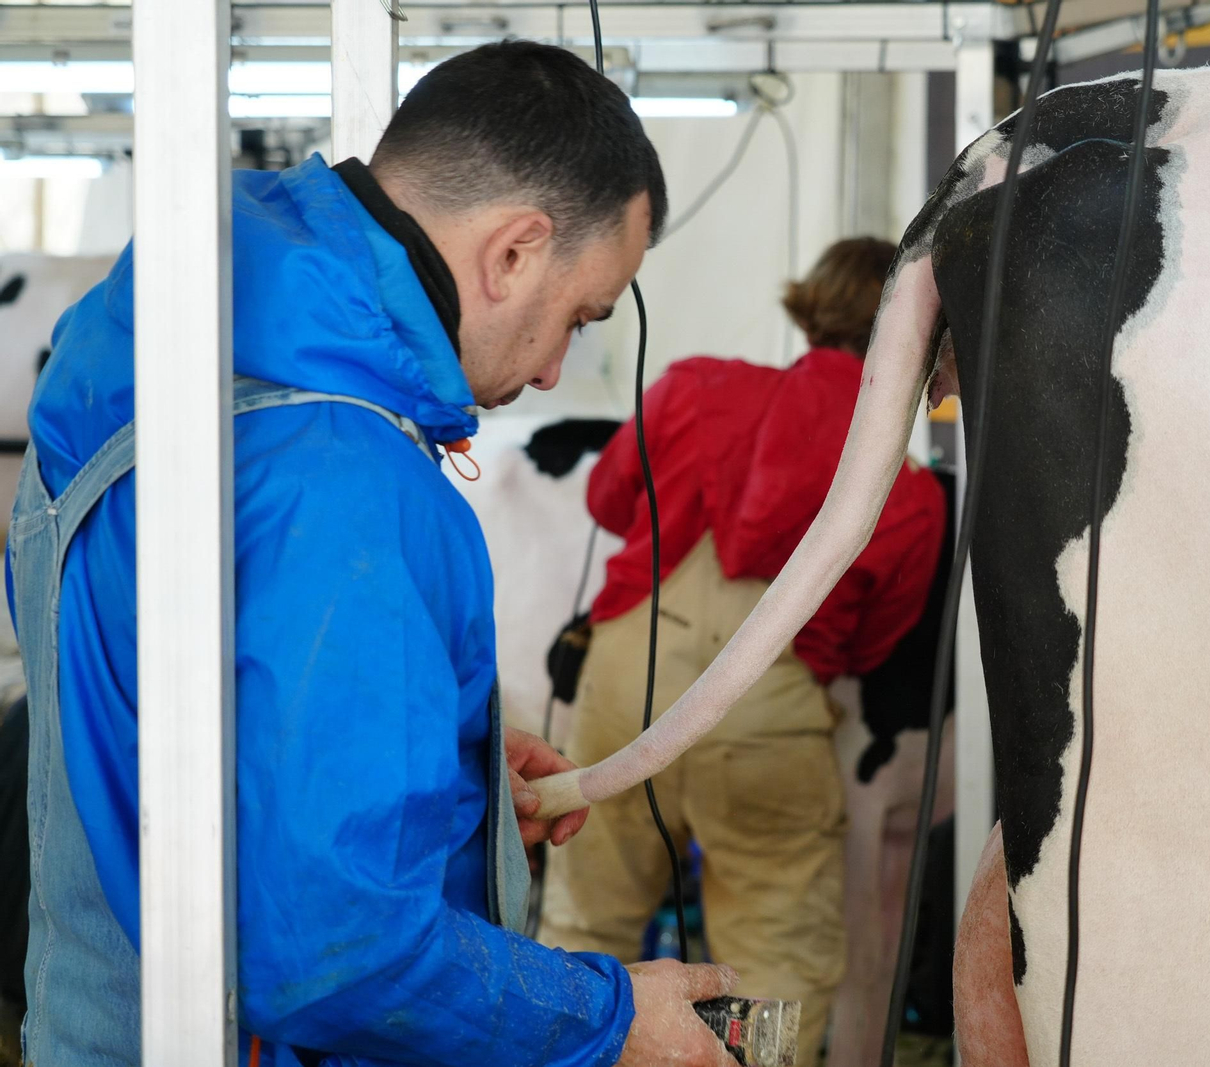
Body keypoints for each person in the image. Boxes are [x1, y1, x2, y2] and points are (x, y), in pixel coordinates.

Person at [4, 41, 741, 1067]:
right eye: (579, 315)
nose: (553, 370)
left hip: (95, 1014)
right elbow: (341, 956)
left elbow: (172, 698)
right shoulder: (346, 472)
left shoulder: (155, 332)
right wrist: (607, 1019)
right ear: (514, 252)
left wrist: (433, 770)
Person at [538, 237, 947, 1067]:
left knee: (583, 931)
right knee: (773, 964)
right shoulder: (906, 484)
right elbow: (873, 643)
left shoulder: (692, 385)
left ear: (813, 307)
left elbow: (608, 498)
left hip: (627, 679)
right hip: (767, 707)